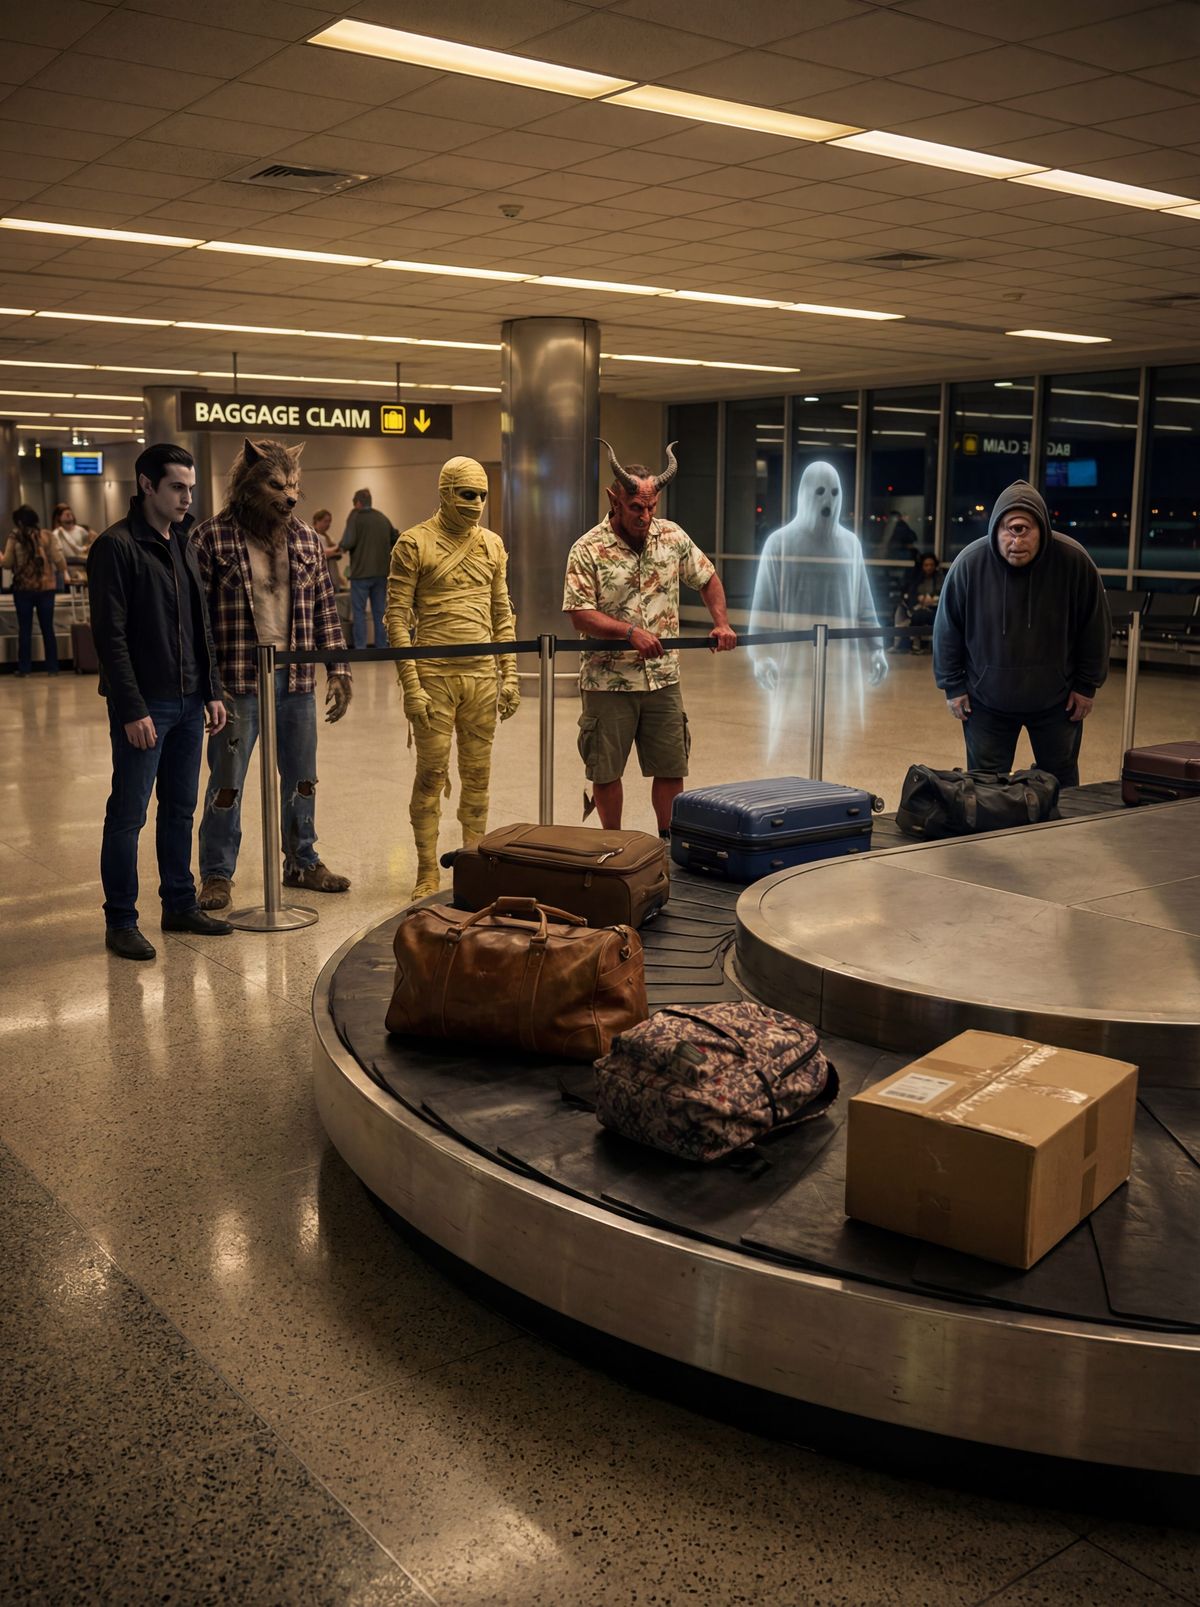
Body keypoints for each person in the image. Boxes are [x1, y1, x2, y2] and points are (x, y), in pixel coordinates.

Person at [194, 439, 353, 911]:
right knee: (227, 783)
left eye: (294, 485)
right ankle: (217, 873)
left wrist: (338, 669)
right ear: (248, 481)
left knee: (303, 778)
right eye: (277, 485)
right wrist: (207, 685)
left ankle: (302, 861)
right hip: (237, 684)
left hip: (295, 681)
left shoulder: (306, 539)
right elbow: (198, 621)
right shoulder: (211, 538)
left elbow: (325, 608)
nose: (289, 496)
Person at [86, 445, 231, 961]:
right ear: (147, 485)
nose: (187, 497)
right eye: (176, 487)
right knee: (128, 815)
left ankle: (179, 904)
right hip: (146, 705)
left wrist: (211, 690)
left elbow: (200, 625)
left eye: (190, 488)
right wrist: (131, 708)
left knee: (180, 809)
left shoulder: (184, 542)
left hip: (190, 703)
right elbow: (110, 636)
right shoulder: (116, 547)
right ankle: (121, 920)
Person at [563, 440, 736, 835]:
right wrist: (629, 633)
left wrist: (722, 623)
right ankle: (614, 845)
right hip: (608, 682)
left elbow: (707, 577)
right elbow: (578, 613)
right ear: (614, 500)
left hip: (663, 678)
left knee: (671, 767)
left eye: (651, 507)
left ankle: (669, 843)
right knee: (606, 771)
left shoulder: (672, 537)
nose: (645, 516)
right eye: (635, 507)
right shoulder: (587, 549)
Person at [385, 456, 520, 900]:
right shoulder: (413, 543)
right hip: (434, 677)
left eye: (482, 495)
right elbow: (397, 618)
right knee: (431, 773)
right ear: (445, 493)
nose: (477, 503)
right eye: (467, 494)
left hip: (481, 676)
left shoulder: (492, 545)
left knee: (478, 776)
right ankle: (427, 869)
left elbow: (501, 612)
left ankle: (473, 866)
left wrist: (510, 674)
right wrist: (411, 686)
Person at [933, 480, 1111, 789]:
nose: (1016, 541)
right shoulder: (970, 564)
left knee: (1061, 784)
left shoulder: (1073, 561)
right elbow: (948, 627)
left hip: (1058, 701)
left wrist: (1086, 685)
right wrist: (952, 686)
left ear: (1042, 529)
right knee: (986, 788)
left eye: (1024, 530)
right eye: (1009, 530)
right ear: (995, 530)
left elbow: (1094, 627)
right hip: (986, 701)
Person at [749, 461, 887, 760]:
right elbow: (764, 605)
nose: (828, 500)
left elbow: (864, 602)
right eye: (821, 491)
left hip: (842, 662)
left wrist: (876, 648)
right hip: (792, 661)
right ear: (805, 493)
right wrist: (760, 656)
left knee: (841, 739)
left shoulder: (850, 545)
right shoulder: (780, 543)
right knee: (790, 737)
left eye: (835, 492)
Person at [2, 507, 66, 675]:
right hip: (46, 588)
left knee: (25, 629)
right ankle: (53, 668)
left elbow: (7, 563)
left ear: (19, 522)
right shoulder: (47, 536)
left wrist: (1, 558)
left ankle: (25, 669)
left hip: (23, 589)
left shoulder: (15, 537)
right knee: (48, 628)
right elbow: (60, 562)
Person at [341, 487, 396, 648]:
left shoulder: (355, 517)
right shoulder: (382, 518)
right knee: (380, 612)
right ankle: (381, 648)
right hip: (381, 574)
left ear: (358, 503)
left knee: (359, 613)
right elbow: (396, 538)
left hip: (360, 575)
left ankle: (360, 649)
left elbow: (348, 542)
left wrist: (339, 548)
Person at [899, 553, 942, 656]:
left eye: (931, 565)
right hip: (918, 607)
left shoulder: (939, 577)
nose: (929, 567)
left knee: (919, 616)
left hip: (935, 609)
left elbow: (942, 593)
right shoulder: (917, 578)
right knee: (916, 615)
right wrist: (919, 598)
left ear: (935, 565)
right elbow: (911, 594)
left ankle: (915, 644)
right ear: (922, 566)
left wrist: (932, 599)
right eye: (926, 565)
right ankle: (913, 644)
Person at [52, 503, 96, 569]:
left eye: (70, 514)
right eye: (66, 515)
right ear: (59, 517)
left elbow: (90, 541)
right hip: (66, 568)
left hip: (81, 566)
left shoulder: (80, 530)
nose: (69, 517)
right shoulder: (56, 534)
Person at [312, 508, 346, 591]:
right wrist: (337, 548)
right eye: (325, 521)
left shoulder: (328, 538)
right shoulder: (312, 536)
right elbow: (322, 554)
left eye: (329, 522)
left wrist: (339, 577)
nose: (328, 524)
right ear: (317, 521)